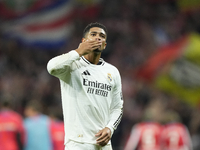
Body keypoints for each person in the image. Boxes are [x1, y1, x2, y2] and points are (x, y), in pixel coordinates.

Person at [47, 22, 124, 150]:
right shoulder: (72, 65)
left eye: (102, 36)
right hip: (78, 143)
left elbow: (117, 107)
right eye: (93, 34)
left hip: (103, 145)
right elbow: (51, 67)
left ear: (104, 45)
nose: (98, 37)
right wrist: (78, 52)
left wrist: (110, 128)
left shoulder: (113, 71)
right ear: (84, 41)